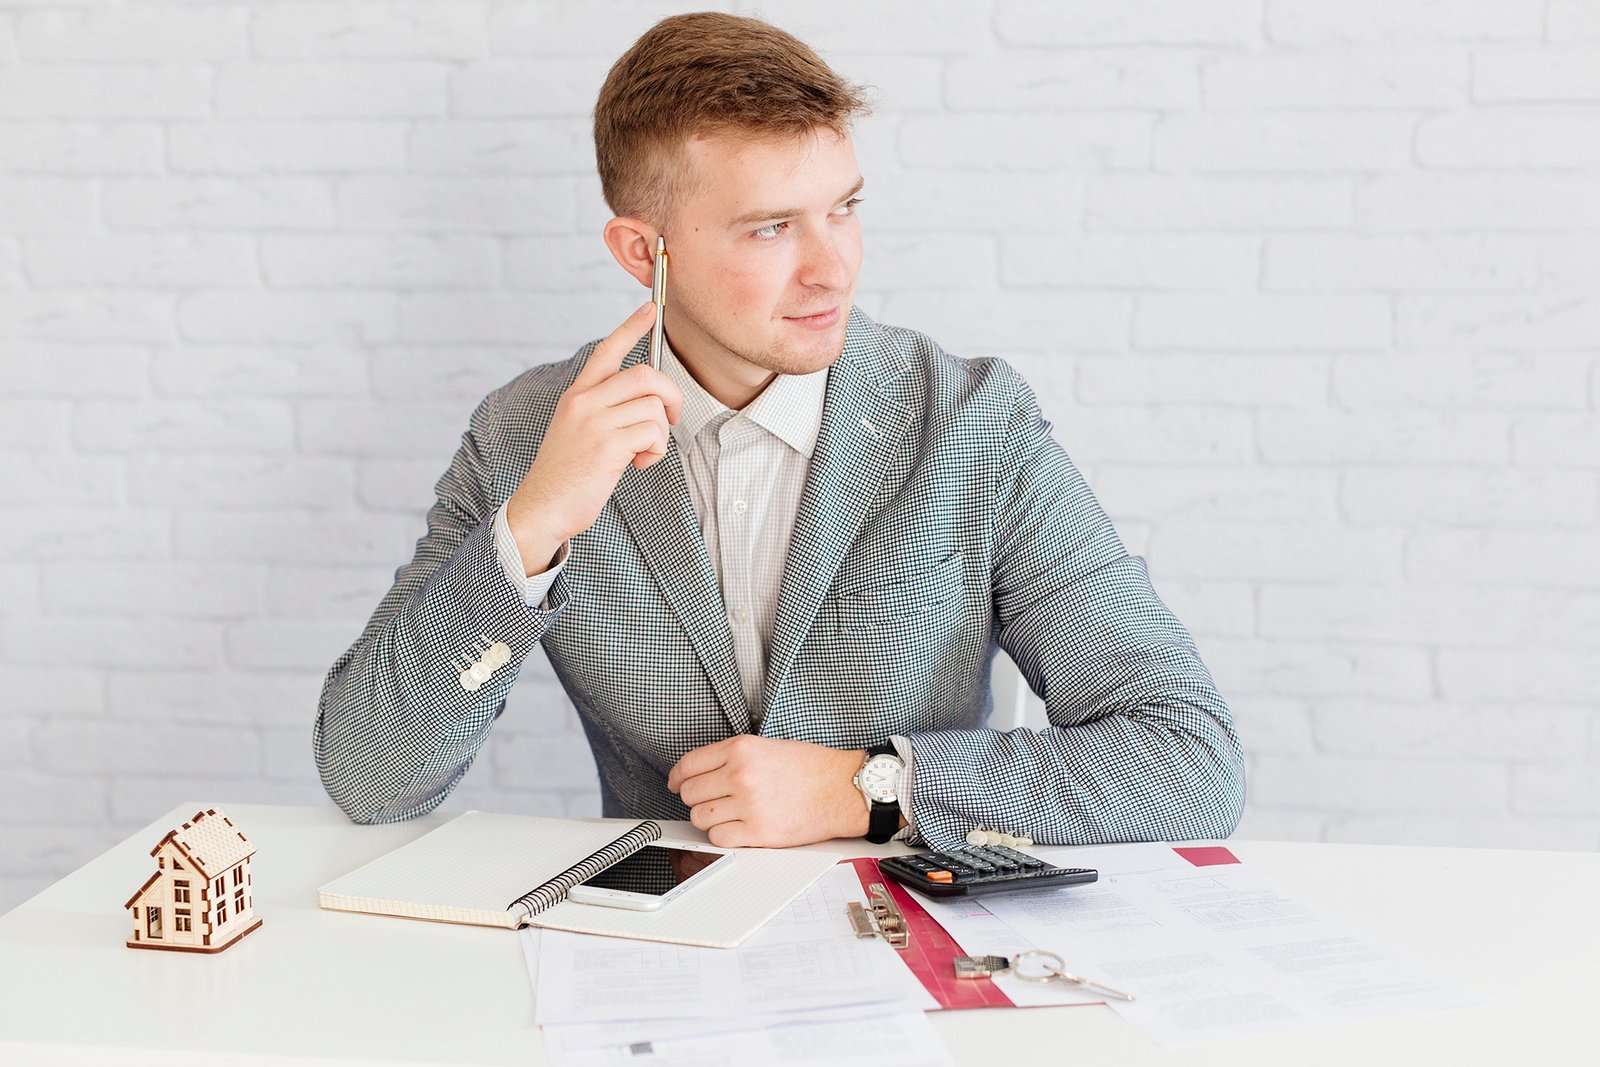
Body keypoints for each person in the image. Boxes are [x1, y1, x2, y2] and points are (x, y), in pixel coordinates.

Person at [314, 12, 1245, 850]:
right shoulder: (528, 436)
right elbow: (370, 778)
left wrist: (871, 788)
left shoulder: (972, 421)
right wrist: (533, 527)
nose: (831, 270)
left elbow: (1190, 758)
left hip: (922, 959)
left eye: (844, 208)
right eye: (770, 230)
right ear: (645, 252)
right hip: (662, 972)